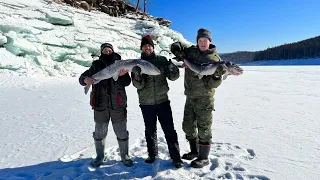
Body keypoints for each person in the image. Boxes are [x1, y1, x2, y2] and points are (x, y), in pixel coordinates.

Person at [170, 28, 226, 168]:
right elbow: (175, 45)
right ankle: (194, 151)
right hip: (190, 96)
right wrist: (178, 52)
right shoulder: (191, 51)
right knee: (187, 126)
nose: (202, 43)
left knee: (204, 128)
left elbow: (213, 84)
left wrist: (217, 75)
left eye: (204, 40)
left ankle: (204, 157)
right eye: (200, 40)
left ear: (209, 41)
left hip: (204, 98)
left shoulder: (214, 59)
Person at [131, 35, 183, 168]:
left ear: (153, 47)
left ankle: (176, 157)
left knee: (169, 129)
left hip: (162, 101)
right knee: (150, 130)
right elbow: (138, 86)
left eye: (149, 45)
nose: (147, 48)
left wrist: (173, 69)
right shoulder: (137, 63)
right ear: (142, 48)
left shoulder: (162, 60)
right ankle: (152, 154)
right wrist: (137, 76)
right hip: (146, 103)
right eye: (145, 46)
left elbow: (173, 77)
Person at [79, 43, 133, 167]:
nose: (107, 52)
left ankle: (125, 155)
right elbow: (82, 77)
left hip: (118, 104)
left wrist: (123, 75)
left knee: (121, 131)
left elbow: (127, 83)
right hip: (100, 104)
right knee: (99, 132)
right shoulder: (96, 65)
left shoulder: (121, 64)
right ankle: (100, 156)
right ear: (102, 52)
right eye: (105, 50)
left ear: (113, 51)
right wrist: (84, 80)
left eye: (109, 50)